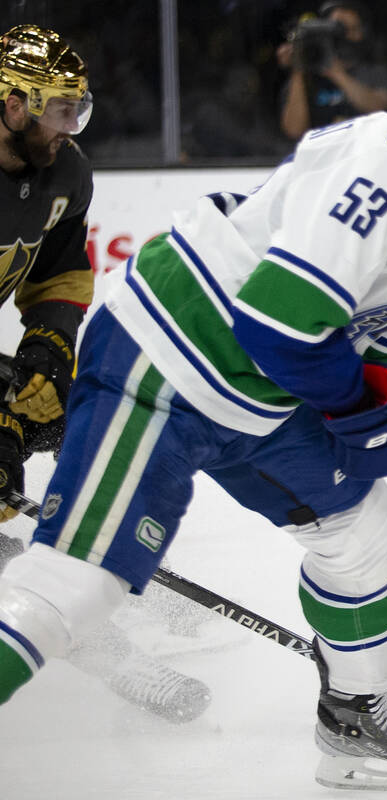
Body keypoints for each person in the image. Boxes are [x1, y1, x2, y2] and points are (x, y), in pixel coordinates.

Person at [0, 14, 387, 792]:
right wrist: (364, 413)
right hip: (170, 364)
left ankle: (354, 716)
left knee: (360, 527)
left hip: (251, 395)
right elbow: (281, 320)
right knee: (80, 583)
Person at [0, 23, 212, 722]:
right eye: (60, 109)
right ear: (11, 103)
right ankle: (118, 661)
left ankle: (118, 574)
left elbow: (59, 274)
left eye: (75, 110)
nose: (70, 126)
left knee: (96, 422)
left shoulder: (65, 173)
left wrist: (47, 354)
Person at [278, 0, 387, 141]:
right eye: (337, 30)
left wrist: (337, 74)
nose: (343, 37)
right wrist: (298, 68)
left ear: (362, 33)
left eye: (349, 30)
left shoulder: (374, 72)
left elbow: (380, 108)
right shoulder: (306, 77)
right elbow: (294, 130)